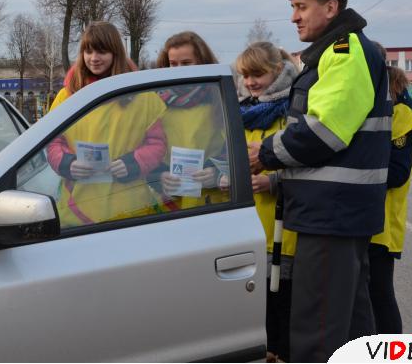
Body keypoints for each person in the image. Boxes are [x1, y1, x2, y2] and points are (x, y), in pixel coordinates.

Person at [248, 0, 392, 362]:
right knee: (351, 332)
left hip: (331, 214)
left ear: (331, 7)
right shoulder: (331, 53)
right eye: (293, 6)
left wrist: (265, 153)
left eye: (301, 6)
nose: (293, 16)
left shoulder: (344, 53)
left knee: (317, 334)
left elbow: (324, 131)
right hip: (336, 214)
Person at [46, 21, 166, 227]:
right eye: (88, 51)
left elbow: (157, 143)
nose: (94, 58)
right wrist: (68, 163)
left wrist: (134, 163)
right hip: (76, 209)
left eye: (102, 51)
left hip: (130, 207)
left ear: (115, 53)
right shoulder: (66, 96)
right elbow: (52, 141)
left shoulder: (143, 96)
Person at [233, 41, 298, 362]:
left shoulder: (292, 112)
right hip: (250, 233)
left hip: (284, 235)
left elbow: (307, 167)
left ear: (276, 70)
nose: (250, 83)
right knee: (258, 313)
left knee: (282, 309)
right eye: (245, 76)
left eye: (256, 75)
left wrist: (272, 181)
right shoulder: (244, 112)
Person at [370, 50, 412, 334]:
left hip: (383, 226)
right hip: (367, 222)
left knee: (381, 298)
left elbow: (397, 174)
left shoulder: (400, 115)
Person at [149, 31, 227, 210]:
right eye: (172, 64)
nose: (179, 70)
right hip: (166, 202)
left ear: (202, 62)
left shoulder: (219, 98)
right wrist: (158, 176)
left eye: (186, 63)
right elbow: (146, 146)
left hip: (209, 202)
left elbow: (234, 149)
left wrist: (216, 172)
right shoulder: (155, 101)